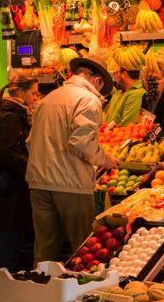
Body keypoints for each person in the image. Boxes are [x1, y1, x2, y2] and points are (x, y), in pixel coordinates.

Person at [26, 56, 118, 265]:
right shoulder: (88, 100)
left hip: (38, 182)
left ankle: (41, 294)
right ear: (96, 81)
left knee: (45, 250)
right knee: (84, 248)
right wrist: (104, 160)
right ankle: (83, 294)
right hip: (71, 184)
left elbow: (30, 142)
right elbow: (81, 143)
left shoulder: (48, 99)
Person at [0, 76, 40, 272]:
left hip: (13, 190)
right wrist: (31, 168)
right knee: (10, 248)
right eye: (34, 93)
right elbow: (6, 154)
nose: (36, 98)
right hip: (12, 191)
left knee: (14, 245)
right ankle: (5, 294)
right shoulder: (11, 117)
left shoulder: (13, 114)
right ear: (20, 93)